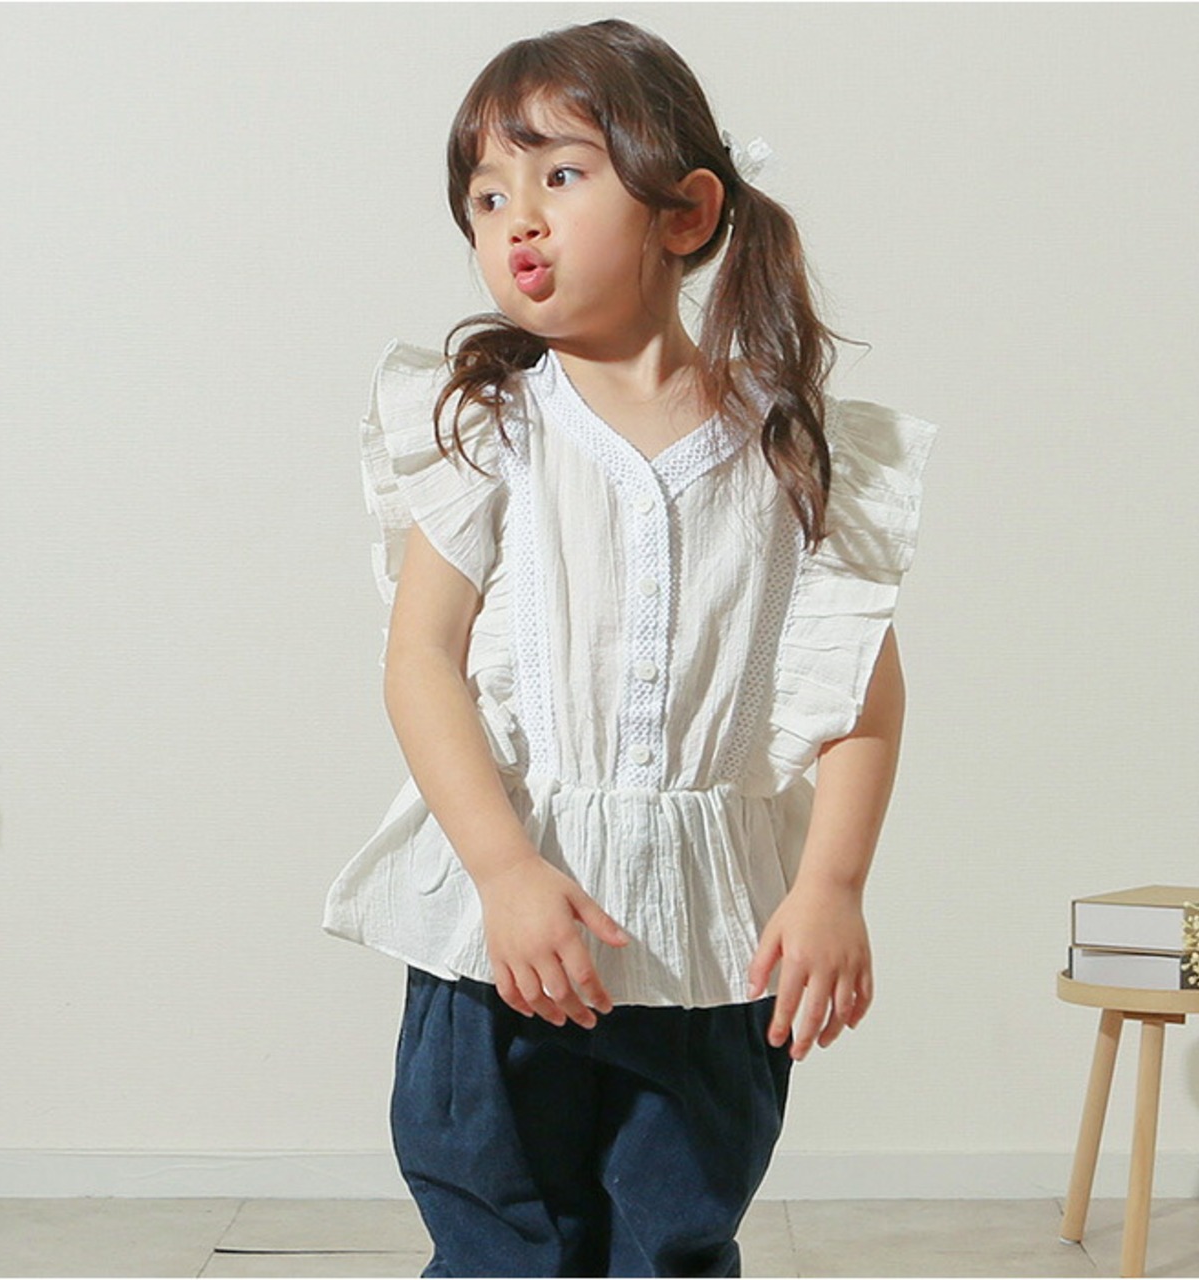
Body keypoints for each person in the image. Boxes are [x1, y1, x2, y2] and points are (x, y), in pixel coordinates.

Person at [323, 17, 939, 1279]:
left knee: (671, 1238)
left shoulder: (791, 452)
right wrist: (501, 868)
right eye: (485, 195)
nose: (517, 219)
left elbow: (859, 697)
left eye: (558, 174)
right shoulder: (486, 427)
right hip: (507, 934)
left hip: (710, 933)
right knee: (498, 1238)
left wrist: (830, 885)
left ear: (683, 210)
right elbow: (418, 660)